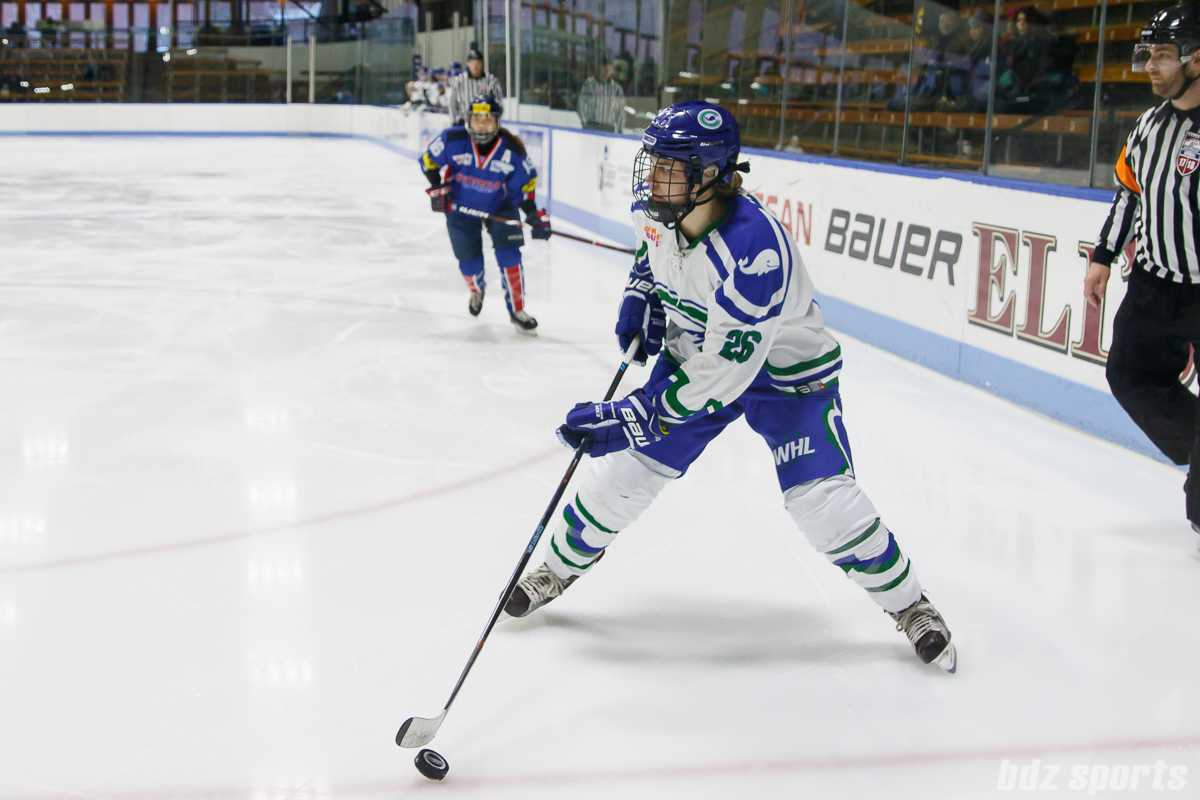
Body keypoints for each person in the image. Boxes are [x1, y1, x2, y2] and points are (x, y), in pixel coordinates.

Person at [504, 101, 958, 673]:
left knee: (821, 502)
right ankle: (557, 569)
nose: (653, 176)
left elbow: (721, 376)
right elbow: (654, 255)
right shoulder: (659, 209)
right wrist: (641, 294)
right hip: (700, 355)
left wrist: (636, 415)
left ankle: (911, 605)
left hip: (784, 378)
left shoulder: (755, 251)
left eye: (670, 165)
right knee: (626, 476)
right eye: (654, 162)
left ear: (710, 176)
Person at [1085, 1, 1200, 550]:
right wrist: (1103, 256)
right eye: (1147, 55)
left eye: (1162, 56)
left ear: (1197, 58)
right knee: (1129, 376)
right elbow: (1129, 192)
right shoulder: (1151, 125)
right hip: (1154, 284)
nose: (1150, 66)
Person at [419, 93, 550, 334]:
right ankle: (476, 290)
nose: (482, 125)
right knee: (469, 264)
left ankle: (517, 310)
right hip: (460, 207)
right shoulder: (452, 139)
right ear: (468, 120)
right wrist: (438, 189)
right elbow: (428, 161)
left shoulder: (512, 151)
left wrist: (533, 216)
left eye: (487, 120)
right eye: (477, 119)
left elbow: (525, 187)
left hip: (500, 206)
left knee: (510, 257)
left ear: (497, 122)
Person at [447, 45, 504, 126]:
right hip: (464, 123)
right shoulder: (459, 81)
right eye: (472, 63)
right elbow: (452, 103)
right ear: (468, 64)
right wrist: (454, 121)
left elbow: (499, 104)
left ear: (482, 64)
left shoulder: (492, 81)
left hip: (485, 124)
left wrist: (494, 121)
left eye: (477, 63)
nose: (475, 66)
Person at [577, 56, 626, 132]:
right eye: (604, 68)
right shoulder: (589, 85)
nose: (607, 71)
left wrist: (619, 131)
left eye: (609, 68)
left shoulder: (616, 89)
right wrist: (586, 127)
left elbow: (621, 112)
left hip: (609, 129)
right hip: (591, 127)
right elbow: (582, 107)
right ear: (599, 68)